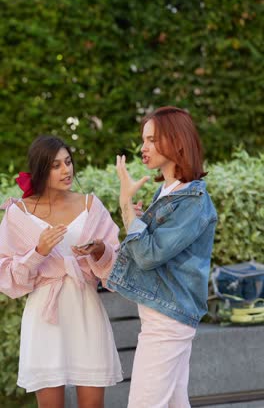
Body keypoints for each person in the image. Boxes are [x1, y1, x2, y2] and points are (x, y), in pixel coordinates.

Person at [0, 135, 122, 408]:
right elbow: (6, 275)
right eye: (56, 165)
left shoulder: (91, 205)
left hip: (85, 310)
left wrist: (100, 249)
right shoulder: (18, 213)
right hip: (45, 317)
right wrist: (38, 252)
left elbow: (117, 263)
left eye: (68, 162)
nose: (66, 170)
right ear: (41, 169)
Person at [107, 106, 218, 408]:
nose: (144, 148)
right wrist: (136, 220)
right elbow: (148, 247)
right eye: (144, 139)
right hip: (162, 315)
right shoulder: (167, 193)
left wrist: (126, 204)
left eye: (153, 140)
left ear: (177, 142)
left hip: (168, 320)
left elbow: (147, 254)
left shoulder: (192, 200)